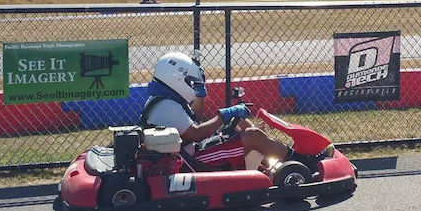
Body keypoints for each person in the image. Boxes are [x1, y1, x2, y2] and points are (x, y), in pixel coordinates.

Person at [139, 51, 332, 171]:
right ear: (177, 79)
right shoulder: (166, 106)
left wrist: (201, 95)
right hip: (191, 161)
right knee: (253, 135)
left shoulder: (166, 100)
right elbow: (197, 134)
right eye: (192, 83)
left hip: (189, 152)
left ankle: (269, 164)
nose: (194, 87)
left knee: (243, 124)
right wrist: (223, 115)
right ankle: (303, 163)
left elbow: (194, 120)